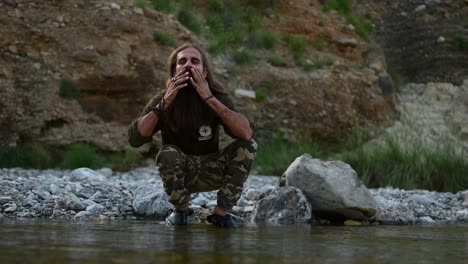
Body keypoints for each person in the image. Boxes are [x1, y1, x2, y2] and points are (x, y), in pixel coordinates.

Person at [128, 44, 257, 228]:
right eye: (182, 61)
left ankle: (221, 214)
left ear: (204, 73)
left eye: (194, 61)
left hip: (211, 170)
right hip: (180, 173)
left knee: (248, 146)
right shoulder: (163, 99)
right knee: (167, 152)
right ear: (174, 70)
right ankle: (180, 210)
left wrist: (209, 98)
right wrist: (164, 103)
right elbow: (135, 138)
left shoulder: (217, 97)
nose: (188, 65)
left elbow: (246, 133)